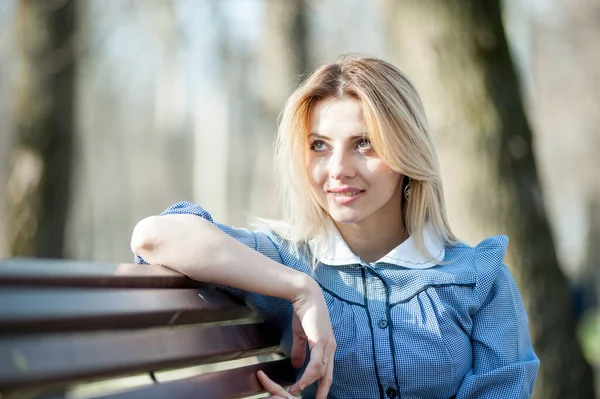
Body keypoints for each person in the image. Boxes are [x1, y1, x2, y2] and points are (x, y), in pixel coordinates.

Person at [131, 56, 539, 399]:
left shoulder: (478, 280)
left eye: (364, 143)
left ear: (407, 152)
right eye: (319, 146)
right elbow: (155, 236)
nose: (338, 170)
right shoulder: (287, 262)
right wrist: (299, 288)